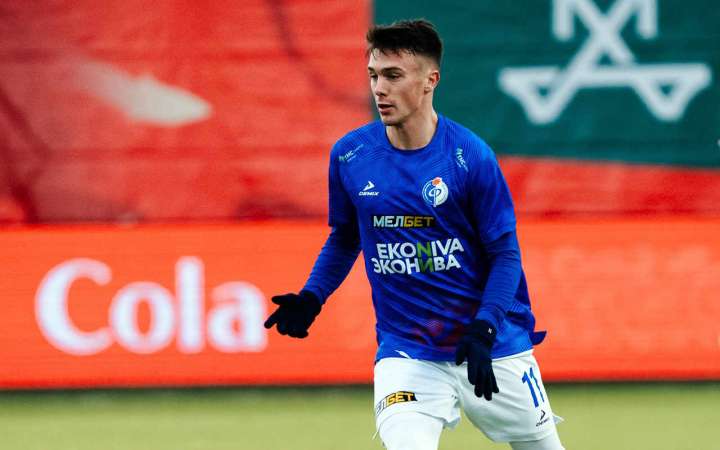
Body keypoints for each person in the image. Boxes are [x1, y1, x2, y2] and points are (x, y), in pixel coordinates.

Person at [264, 19, 565, 450]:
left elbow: (505, 256)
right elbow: (346, 236)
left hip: (490, 346)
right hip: (407, 352)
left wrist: (484, 328)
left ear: (430, 80)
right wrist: (312, 296)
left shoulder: (470, 157)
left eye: (393, 76)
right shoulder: (351, 155)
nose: (379, 89)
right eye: (373, 75)